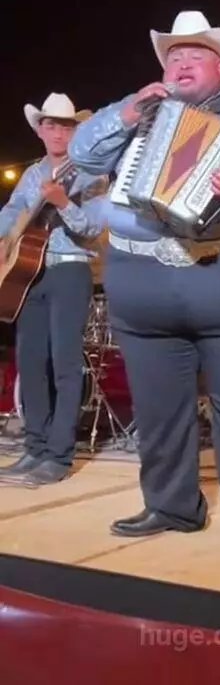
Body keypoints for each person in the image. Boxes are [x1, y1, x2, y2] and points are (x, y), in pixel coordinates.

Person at [68, 10, 220, 556]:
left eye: (193, 53)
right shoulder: (135, 111)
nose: (179, 61)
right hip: (140, 276)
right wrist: (126, 114)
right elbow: (82, 156)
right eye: (172, 55)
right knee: (157, 406)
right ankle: (170, 506)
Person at [0, 94, 107, 484]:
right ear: (40, 129)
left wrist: (63, 203)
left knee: (64, 366)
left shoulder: (91, 172)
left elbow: (94, 228)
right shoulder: (31, 173)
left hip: (70, 272)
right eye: (51, 125)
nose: (58, 132)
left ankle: (59, 456)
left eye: (66, 126)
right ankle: (35, 447)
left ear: (76, 131)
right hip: (29, 275)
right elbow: (13, 211)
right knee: (29, 365)